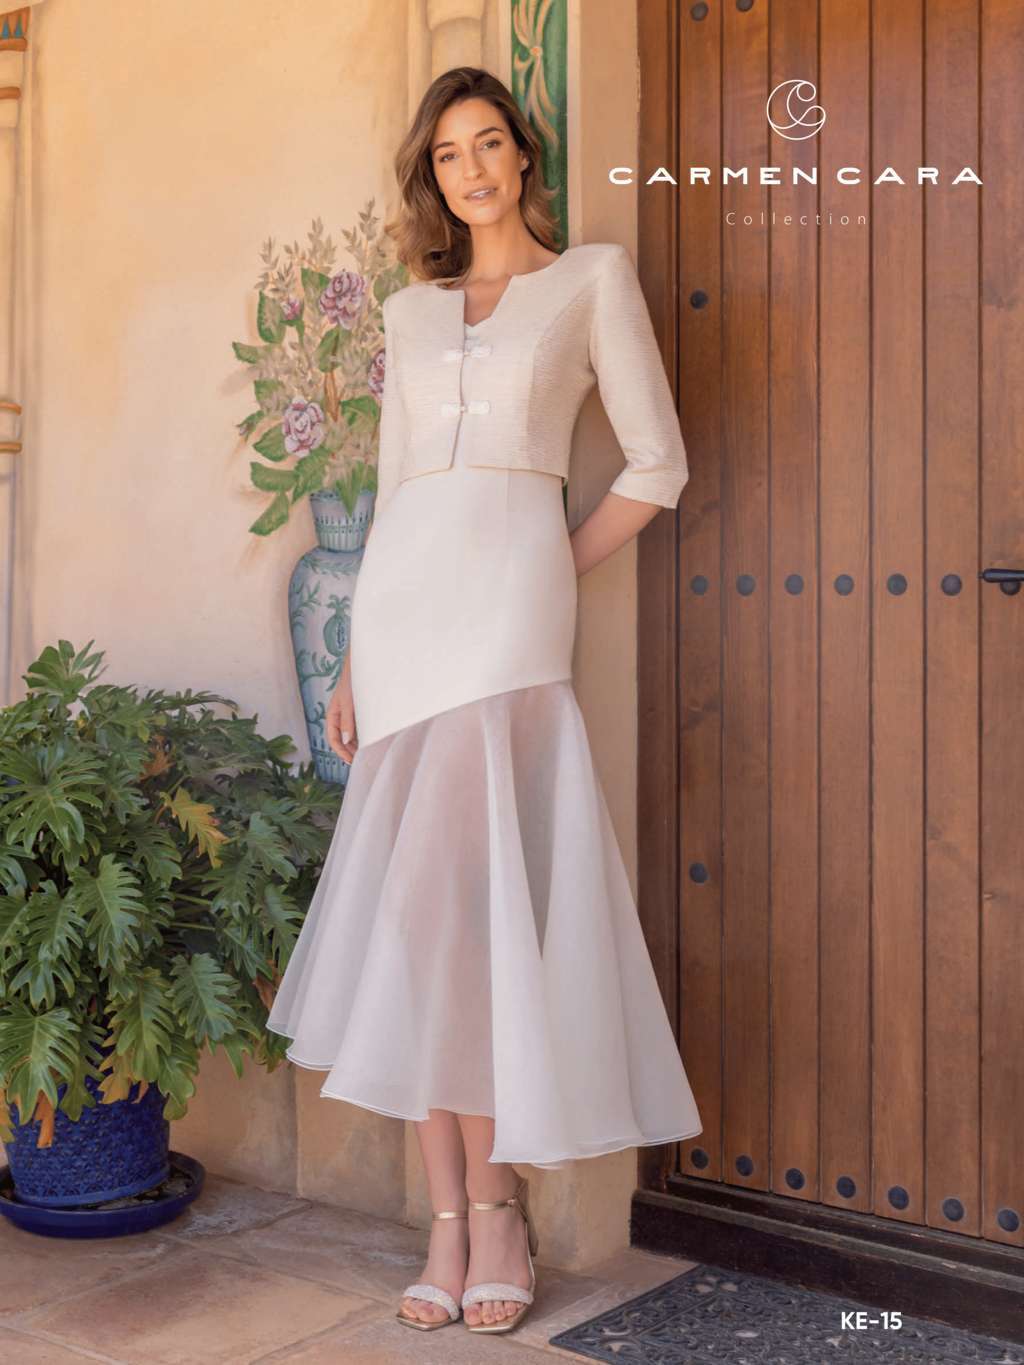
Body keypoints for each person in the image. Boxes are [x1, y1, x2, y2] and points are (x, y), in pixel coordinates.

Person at [266, 65, 702, 1337]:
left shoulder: (590, 281)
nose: (471, 169)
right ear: (434, 177)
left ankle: (497, 1209)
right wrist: (356, 657)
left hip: (507, 624)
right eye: (448, 154)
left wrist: (546, 563)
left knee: (486, 921)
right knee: (428, 924)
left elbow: (658, 463)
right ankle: (448, 1218)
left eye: (489, 143)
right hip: (403, 623)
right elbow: (400, 486)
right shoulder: (408, 313)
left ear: (523, 156)